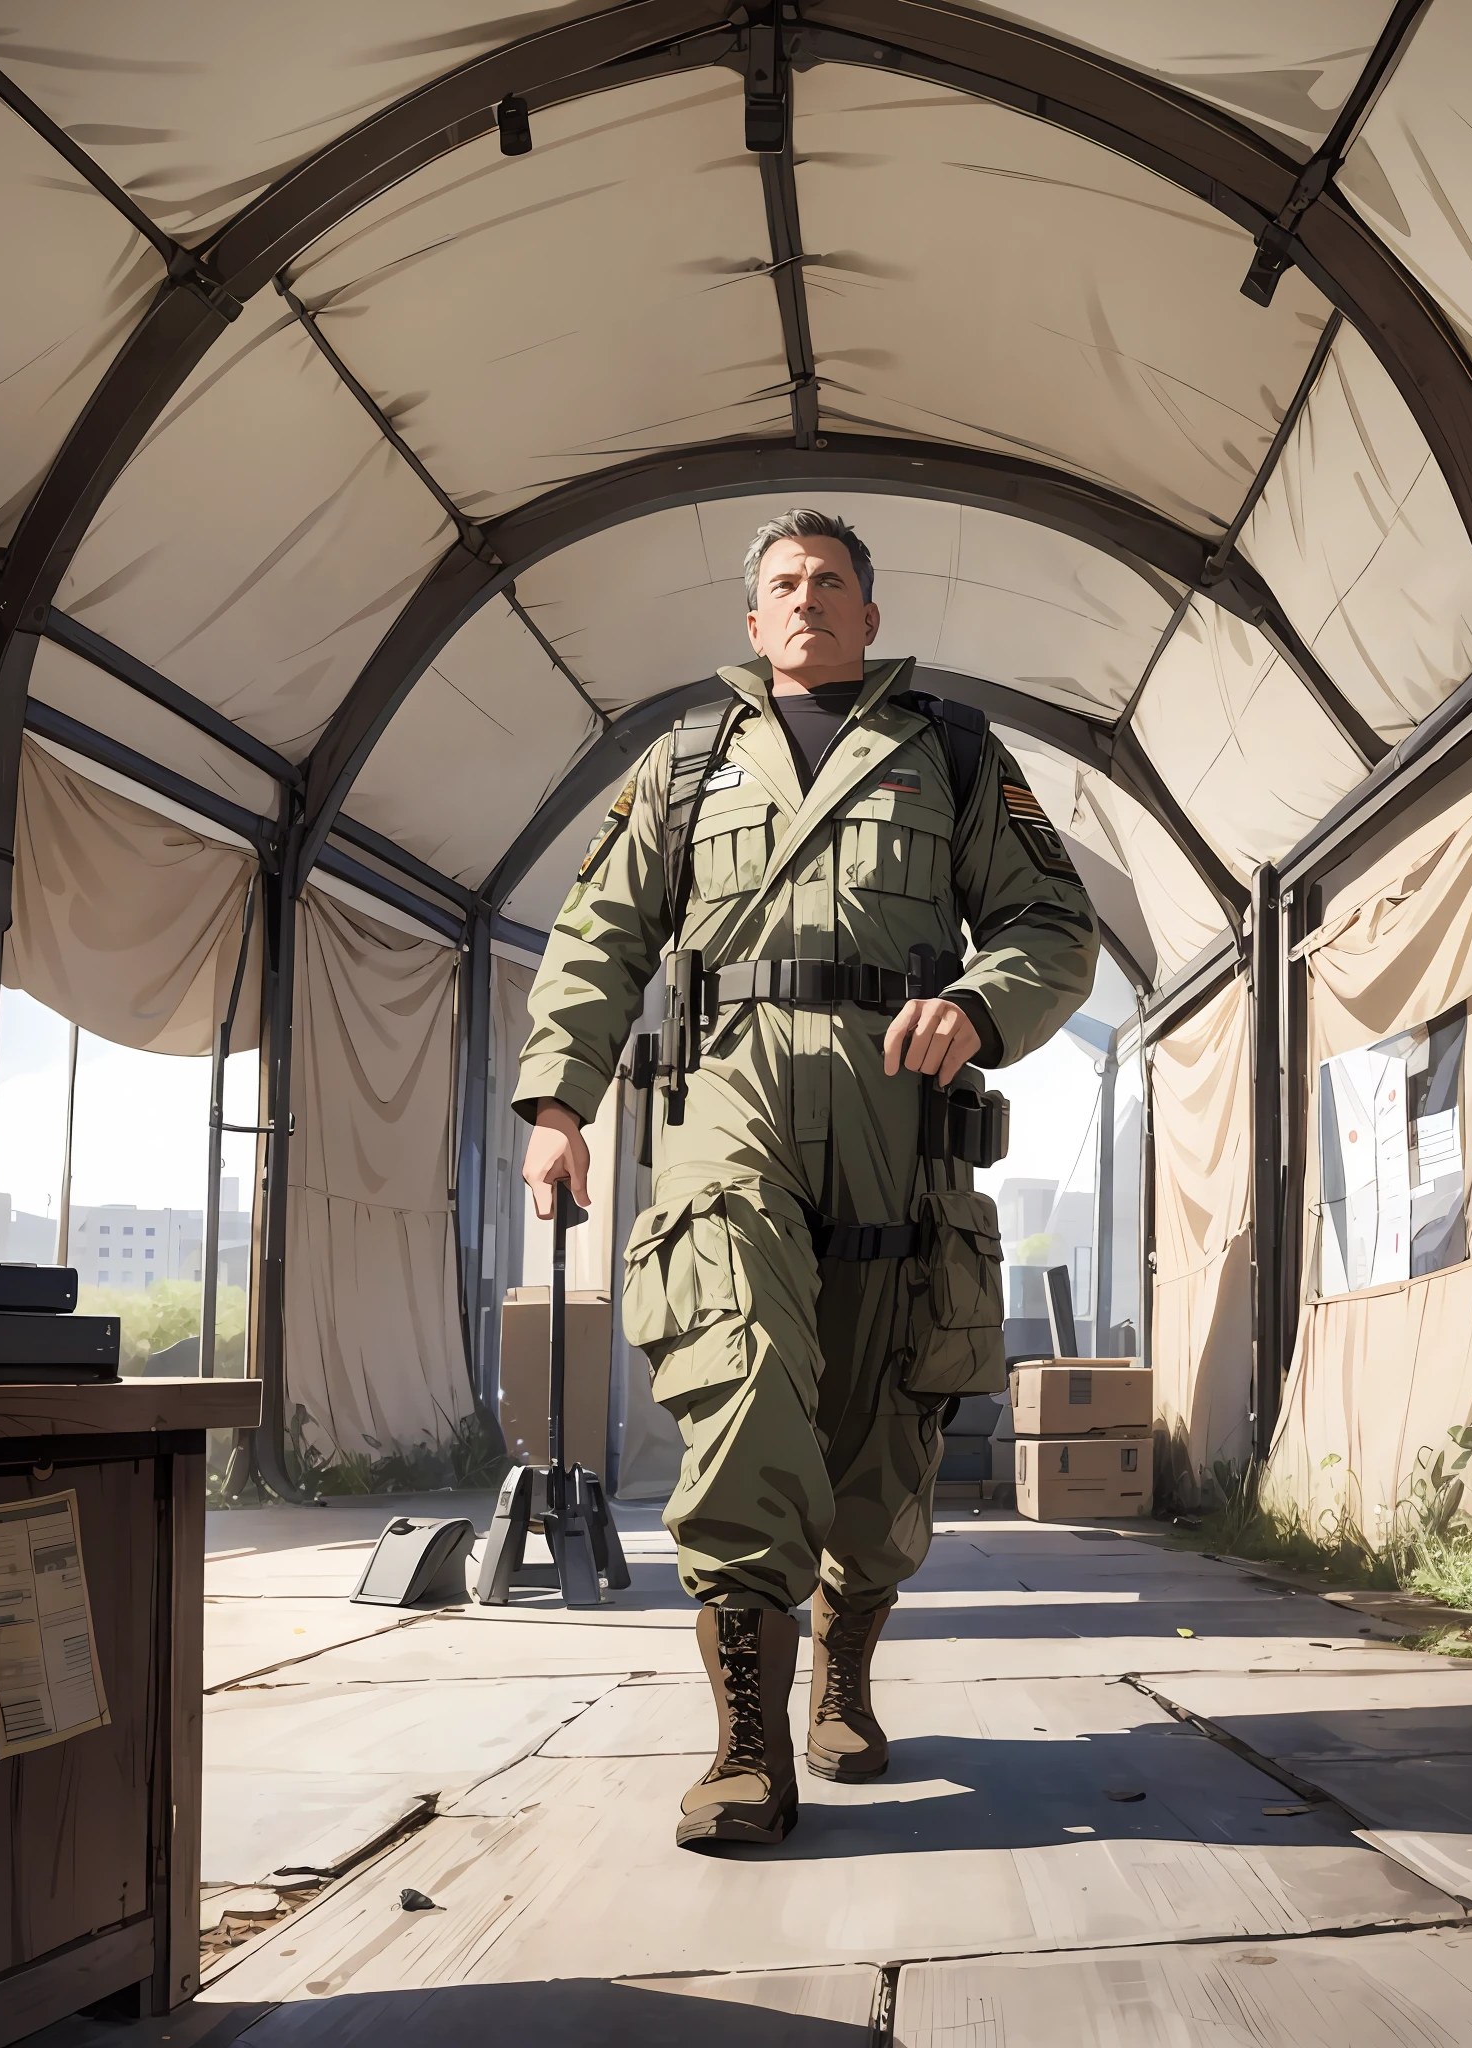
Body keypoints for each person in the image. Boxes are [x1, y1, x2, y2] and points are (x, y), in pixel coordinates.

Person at [515, 508, 1098, 1849]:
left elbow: (1051, 924)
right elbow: (599, 932)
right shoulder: (681, 763)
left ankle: (842, 1663)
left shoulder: (950, 753)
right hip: (730, 1093)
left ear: (870, 617)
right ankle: (744, 1742)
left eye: (833, 581)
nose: (808, 598)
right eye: (784, 582)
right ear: (753, 617)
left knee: (882, 1434)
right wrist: (560, 1105)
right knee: (740, 1379)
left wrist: (980, 1002)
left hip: (900, 1107)